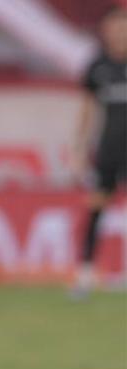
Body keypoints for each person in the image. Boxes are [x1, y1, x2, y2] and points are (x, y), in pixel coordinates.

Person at [71, 6, 127, 297]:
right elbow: (87, 108)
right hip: (108, 149)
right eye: (114, 27)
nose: (119, 33)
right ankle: (85, 274)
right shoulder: (98, 65)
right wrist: (79, 147)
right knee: (95, 207)